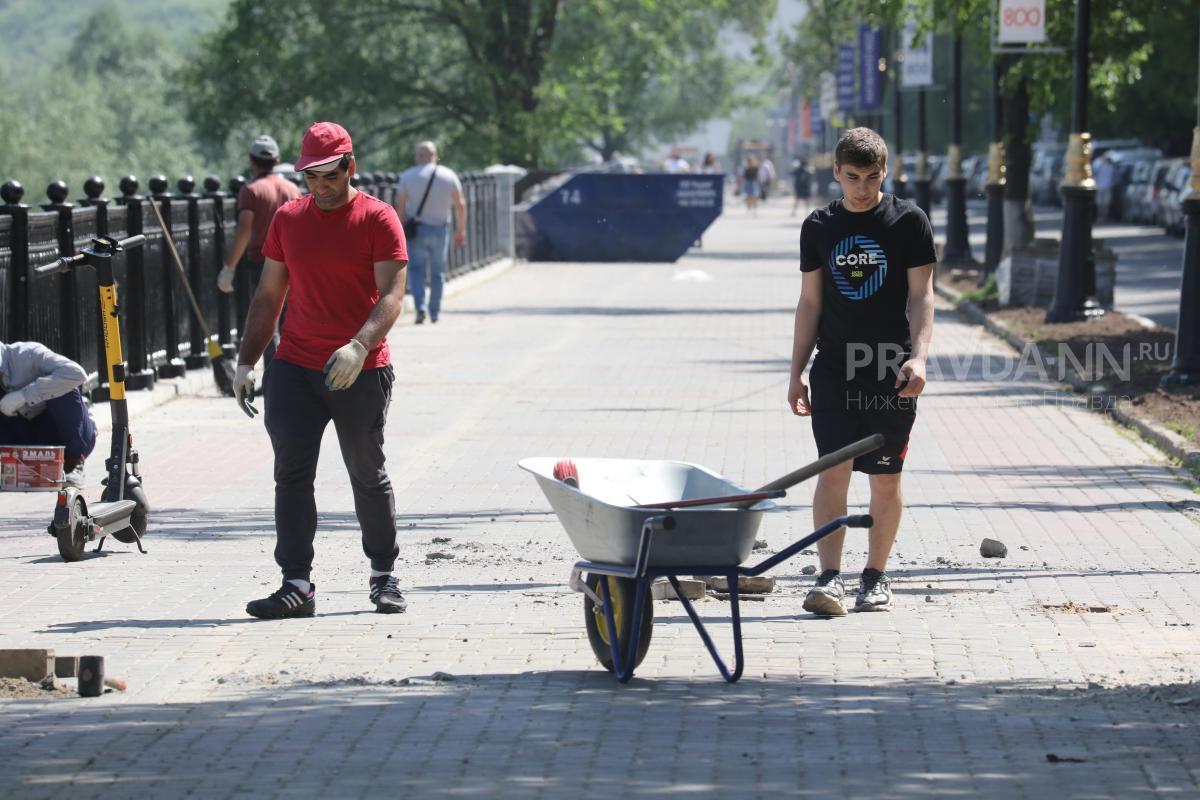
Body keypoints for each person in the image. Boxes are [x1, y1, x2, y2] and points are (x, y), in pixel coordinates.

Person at [234, 121, 409, 620]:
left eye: (329, 176)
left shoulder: (378, 219)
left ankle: (383, 574)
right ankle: (296, 584)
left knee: (366, 474)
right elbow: (269, 296)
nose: (320, 187)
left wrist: (358, 346)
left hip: (360, 367)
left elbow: (393, 296)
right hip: (295, 367)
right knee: (290, 474)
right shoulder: (289, 220)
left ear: (350, 166)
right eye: (311, 178)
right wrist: (247, 360)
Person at [787, 127, 936, 615]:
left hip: (889, 369)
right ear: (836, 173)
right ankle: (829, 578)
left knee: (885, 479)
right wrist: (796, 372)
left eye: (872, 177)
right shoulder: (819, 227)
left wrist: (919, 356)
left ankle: (875, 577)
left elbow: (922, 296)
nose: (863, 188)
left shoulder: (908, 222)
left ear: (885, 172)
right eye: (852, 177)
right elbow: (810, 303)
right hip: (833, 368)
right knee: (834, 474)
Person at [216, 134, 302, 364]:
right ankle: (291, 372)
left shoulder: (251, 191)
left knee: (266, 319)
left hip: (262, 263)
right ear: (276, 159)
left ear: (252, 160)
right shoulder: (293, 189)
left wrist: (229, 267)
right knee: (288, 319)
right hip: (292, 262)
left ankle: (273, 375)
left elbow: (244, 230)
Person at [0, 341, 96, 487]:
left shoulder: (29, 354)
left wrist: (24, 395)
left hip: (67, 436)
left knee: (64, 389)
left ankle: (76, 464)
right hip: (27, 440)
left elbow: (77, 374)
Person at [394, 141, 466, 324]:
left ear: (418, 156)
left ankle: (420, 308)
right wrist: (461, 229)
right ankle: (434, 311)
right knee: (437, 272)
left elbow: (400, 207)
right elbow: (460, 204)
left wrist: (399, 230)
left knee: (416, 270)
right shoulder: (448, 175)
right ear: (435, 155)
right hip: (441, 229)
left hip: (416, 230)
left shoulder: (407, 176)